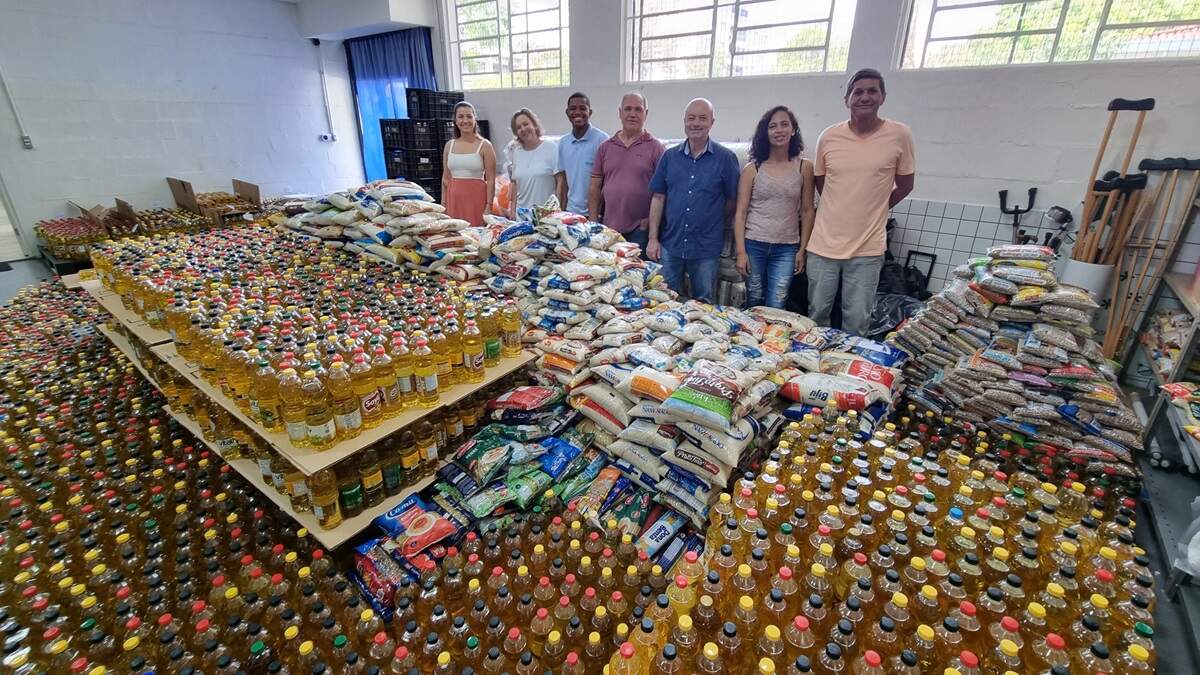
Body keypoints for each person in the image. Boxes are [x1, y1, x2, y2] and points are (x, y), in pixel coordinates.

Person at [808, 68, 915, 336]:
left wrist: (876, 207)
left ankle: (848, 374)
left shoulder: (899, 135)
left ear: (883, 96)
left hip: (867, 248)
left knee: (856, 321)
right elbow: (822, 184)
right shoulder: (829, 137)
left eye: (871, 91)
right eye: (858, 91)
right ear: (847, 99)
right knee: (817, 315)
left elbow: (906, 184)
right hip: (823, 246)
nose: (864, 97)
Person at [647, 98, 739, 304]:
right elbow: (658, 197)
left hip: (706, 248)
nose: (696, 123)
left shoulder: (726, 159)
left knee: (703, 305)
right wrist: (653, 238)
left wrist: (708, 217)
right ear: (684, 121)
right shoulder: (669, 157)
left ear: (712, 122)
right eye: (691, 118)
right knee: (665, 302)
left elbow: (732, 201)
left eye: (702, 118)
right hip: (671, 245)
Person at [733, 106, 815, 309]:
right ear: (765, 132)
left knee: (777, 301)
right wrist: (741, 252)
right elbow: (740, 213)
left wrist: (802, 250)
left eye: (784, 124)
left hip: (786, 248)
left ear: (793, 129)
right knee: (754, 299)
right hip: (754, 244)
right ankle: (752, 340)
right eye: (772, 126)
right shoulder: (753, 168)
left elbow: (807, 211)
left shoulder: (804, 167)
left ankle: (773, 341)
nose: (779, 130)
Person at [589, 92, 665, 250]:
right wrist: (593, 221)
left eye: (638, 109)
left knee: (636, 273)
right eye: (628, 109)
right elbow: (595, 187)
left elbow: (663, 192)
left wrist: (650, 226)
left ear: (646, 114)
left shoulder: (656, 148)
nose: (632, 114)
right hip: (608, 228)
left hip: (640, 230)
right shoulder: (605, 147)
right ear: (620, 113)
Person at [441, 102, 497, 225]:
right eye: (461, 117)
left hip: (476, 200)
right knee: (455, 238)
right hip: (453, 201)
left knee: (475, 237)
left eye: (469, 116)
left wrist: (489, 206)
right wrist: (443, 205)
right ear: (455, 120)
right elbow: (445, 179)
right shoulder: (449, 146)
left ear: (474, 119)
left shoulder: (485, 145)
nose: (465, 120)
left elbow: (491, 180)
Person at [556, 93, 607, 217]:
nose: (577, 112)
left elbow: (608, 181)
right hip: (570, 214)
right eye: (573, 109)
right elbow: (563, 182)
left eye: (583, 108)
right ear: (567, 112)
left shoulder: (602, 140)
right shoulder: (563, 143)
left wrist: (598, 213)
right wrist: (561, 213)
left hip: (595, 215)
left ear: (590, 112)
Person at [507, 108, 563, 217]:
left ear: (535, 125)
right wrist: (513, 212)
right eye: (519, 127)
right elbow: (515, 185)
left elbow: (560, 181)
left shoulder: (551, 148)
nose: (523, 129)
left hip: (545, 216)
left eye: (526, 124)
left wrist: (557, 211)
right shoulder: (516, 153)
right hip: (522, 217)